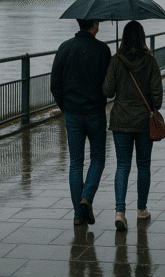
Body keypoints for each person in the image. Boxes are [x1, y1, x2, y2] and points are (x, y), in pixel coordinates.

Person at [51, 18, 112, 226]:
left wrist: (66, 107)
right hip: (95, 112)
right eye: (98, 23)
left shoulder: (64, 48)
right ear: (93, 25)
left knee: (76, 164)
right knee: (98, 158)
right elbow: (108, 85)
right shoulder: (103, 50)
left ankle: (78, 215)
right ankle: (87, 197)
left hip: (73, 114)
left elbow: (55, 84)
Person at [102, 21, 162, 231]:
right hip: (144, 122)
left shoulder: (116, 61)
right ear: (143, 38)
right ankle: (141, 209)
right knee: (143, 165)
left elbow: (108, 91)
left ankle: (120, 211)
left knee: (123, 165)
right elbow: (158, 99)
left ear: (124, 38)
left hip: (121, 121)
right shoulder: (151, 61)